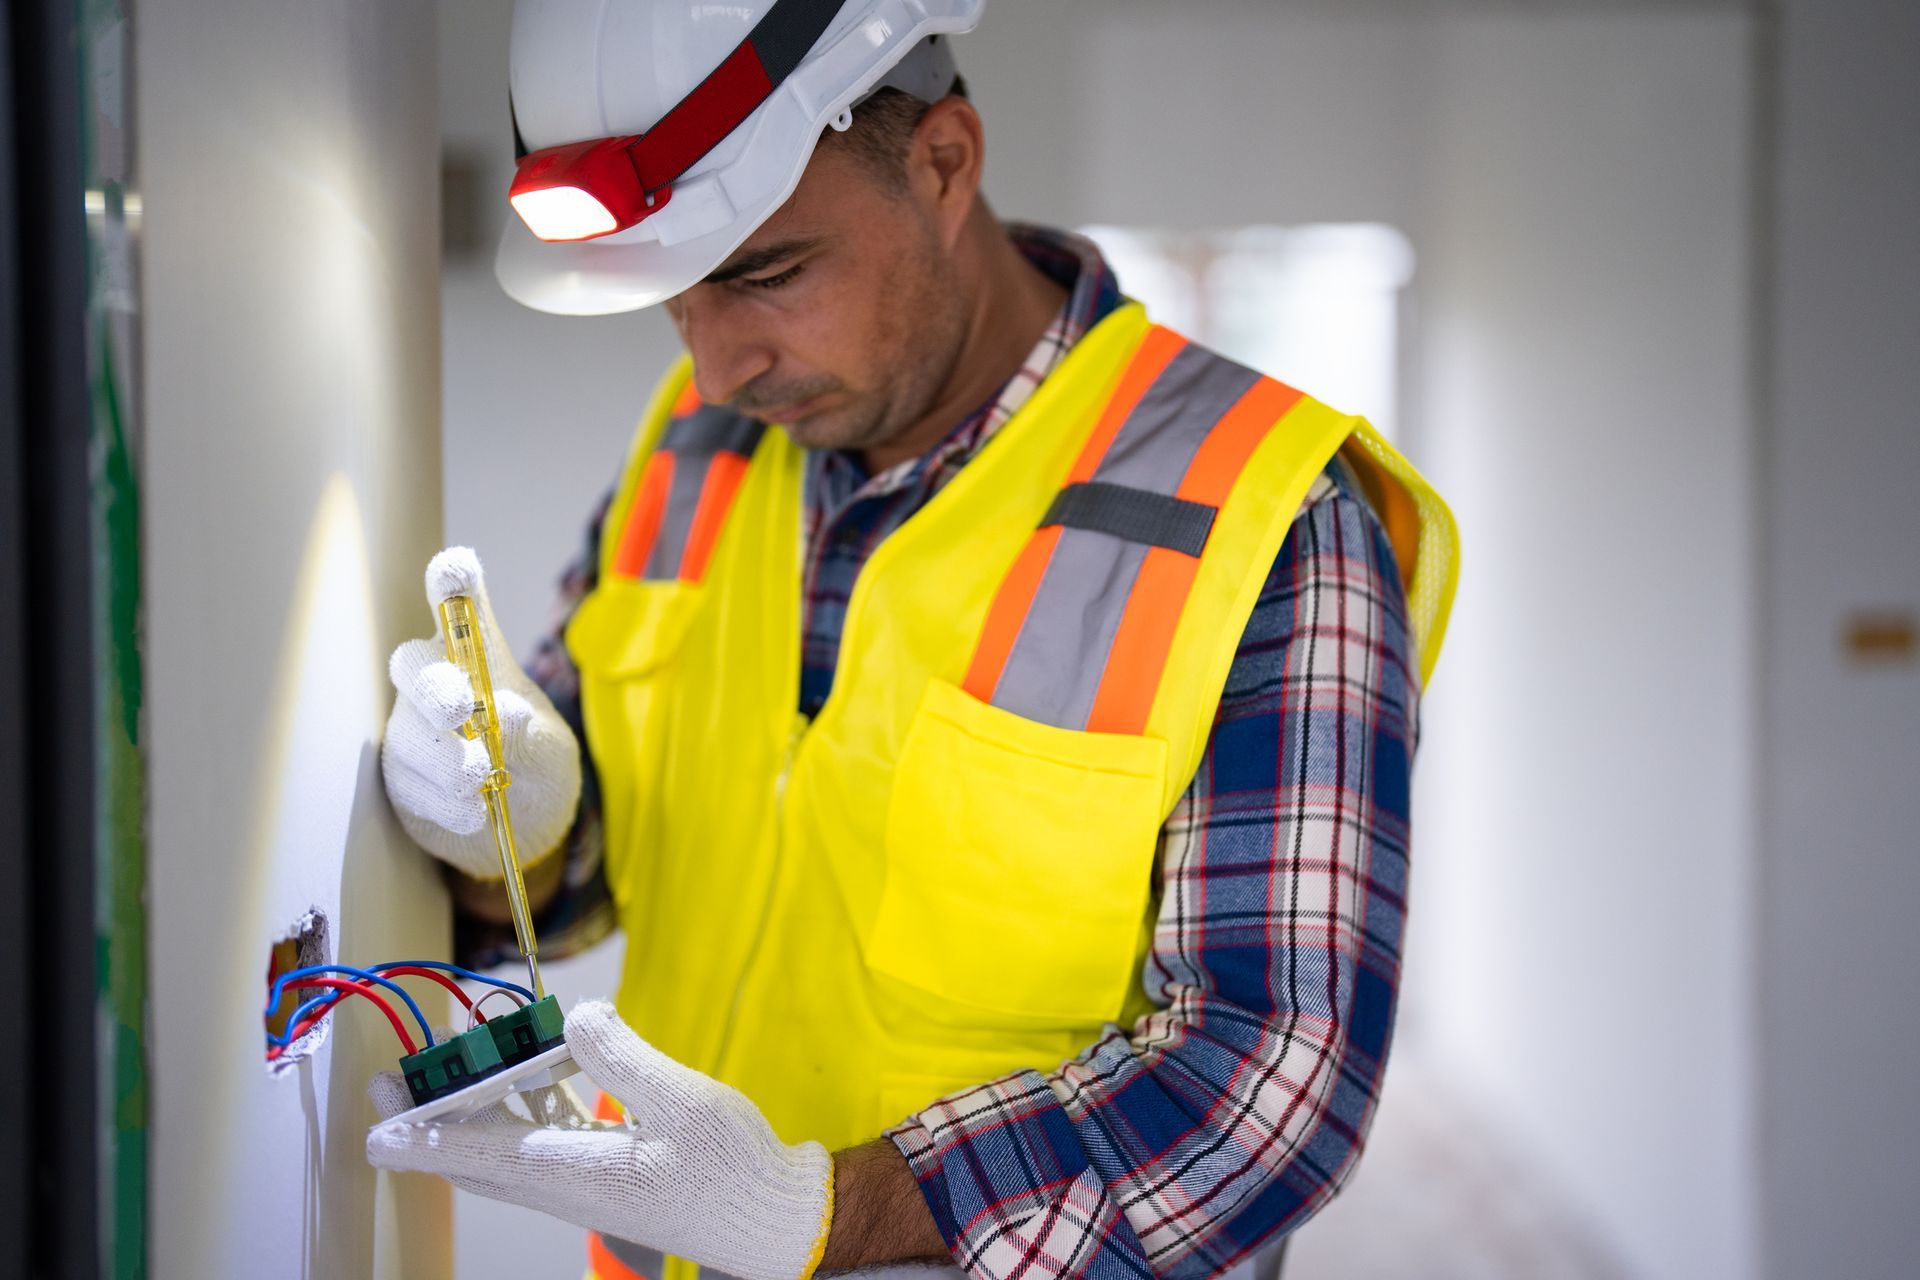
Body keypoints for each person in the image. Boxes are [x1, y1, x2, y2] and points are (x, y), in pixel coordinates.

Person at [370, 3, 1458, 1279]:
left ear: (942, 162)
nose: (719, 368)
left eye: (765, 273)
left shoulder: (1262, 522)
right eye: (674, 299)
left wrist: (828, 1212)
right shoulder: (700, 446)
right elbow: (593, 861)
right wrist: (516, 819)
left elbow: (1271, 1081)